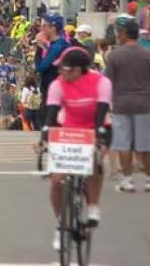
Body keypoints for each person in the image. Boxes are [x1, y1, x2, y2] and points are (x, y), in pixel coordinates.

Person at [40, 47, 111, 251]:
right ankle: (61, 225)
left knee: (93, 161)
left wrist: (98, 139)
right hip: (69, 129)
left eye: (65, 68)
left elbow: (102, 113)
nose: (60, 72)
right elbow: (51, 116)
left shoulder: (102, 82)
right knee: (56, 180)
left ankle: (93, 207)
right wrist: (44, 139)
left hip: (97, 126)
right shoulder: (57, 84)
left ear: (78, 70)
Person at [105, 15, 150, 192]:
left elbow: (108, 82)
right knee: (147, 144)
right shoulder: (149, 55)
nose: (118, 35)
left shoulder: (114, 56)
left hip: (121, 104)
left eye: (119, 32)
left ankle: (127, 180)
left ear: (125, 34)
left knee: (123, 143)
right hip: (144, 104)